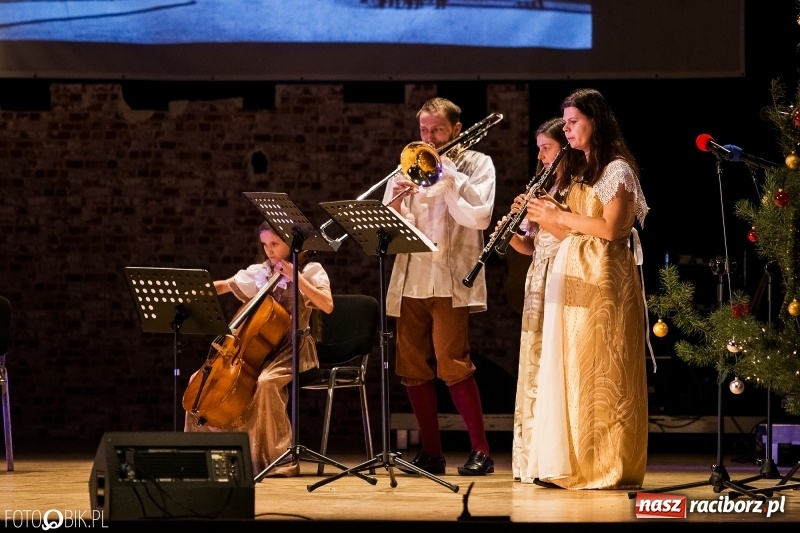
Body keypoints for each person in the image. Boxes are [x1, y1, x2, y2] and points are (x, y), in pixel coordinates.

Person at [524, 88, 649, 489]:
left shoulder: (617, 170)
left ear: (596, 121)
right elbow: (570, 227)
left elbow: (614, 228)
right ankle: (575, 464)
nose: (568, 128)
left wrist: (561, 215)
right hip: (576, 276)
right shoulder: (580, 171)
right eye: (565, 122)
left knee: (604, 367)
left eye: (574, 121)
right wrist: (543, 218)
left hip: (606, 280)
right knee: (575, 370)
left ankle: (607, 465)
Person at [383, 97, 496, 476]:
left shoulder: (478, 164)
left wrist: (449, 180)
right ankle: (431, 453)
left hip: (450, 279)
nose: (429, 137)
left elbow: (478, 217)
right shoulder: (409, 165)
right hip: (411, 278)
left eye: (438, 130)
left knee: (454, 364)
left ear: (456, 131)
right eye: (424, 131)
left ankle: (481, 449)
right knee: (413, 367)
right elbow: (388, 229)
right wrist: (397, 200)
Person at [184, 221, 334, 478]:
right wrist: (194, 292)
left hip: (293, 348)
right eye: (265, 245)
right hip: (260, 349)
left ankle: (278, 459)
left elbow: (327, 305)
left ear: (291, 243)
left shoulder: (310, 269)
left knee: (264, 383)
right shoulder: (262, 272)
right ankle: (207, 454)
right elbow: (226, 285)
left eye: (274, 244)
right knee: (199, 382)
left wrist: (296, 279)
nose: (269, 250)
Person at [495, 117, 576, 483]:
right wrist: (510, 231)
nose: (541, 156)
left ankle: (556, 457)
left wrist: (542, 212)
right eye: (540, 148)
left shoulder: (575, 186)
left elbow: (573, 235)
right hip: (538, 278)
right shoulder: (545, 186)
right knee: (535, 366)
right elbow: (530, 246)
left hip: (565, 275)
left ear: (564, 148)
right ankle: (534, 456)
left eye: (547, 147)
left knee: (556, 364)